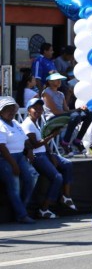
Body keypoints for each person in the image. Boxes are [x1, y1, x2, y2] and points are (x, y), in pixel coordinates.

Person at [22, 98, 76, 218]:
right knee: (57, 177)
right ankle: (44, 209)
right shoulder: (27, 124)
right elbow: (35, 144)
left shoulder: (36, 122)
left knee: (67, 164)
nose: (38, 110)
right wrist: (52, 135)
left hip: (44, 154)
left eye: (40, 108)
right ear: (28, 110)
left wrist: (51, 154)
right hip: (37, 156)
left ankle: (65, 196)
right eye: (35, 108)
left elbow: (43, 141)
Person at [0, 96, 38, 224]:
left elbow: (25, 139)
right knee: (14, 186)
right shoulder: (0, 124)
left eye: (12, 109)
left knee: (32, 178)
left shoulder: (15, 123)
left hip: (20, 156)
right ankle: (22, 214)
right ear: (1, 111)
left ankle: (21, 207)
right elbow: (2, 147)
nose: (11, 112)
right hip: (6, 158)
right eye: (7, 109)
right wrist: (13, 164)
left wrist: (30, 150)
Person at [43, 72, 92, 155]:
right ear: (50, 81)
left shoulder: (61, 94)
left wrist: (79, 109)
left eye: (60, 79)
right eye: (57, 80)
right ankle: (65, 143)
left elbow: (66, 110)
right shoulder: (46, 93)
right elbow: (54, 111)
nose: (59, 81)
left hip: (63, 116)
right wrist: (73, 113)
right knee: (75, 116)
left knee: (89, 114)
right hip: (52, 118)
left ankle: (77, 141)